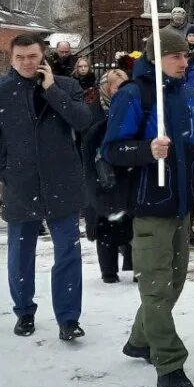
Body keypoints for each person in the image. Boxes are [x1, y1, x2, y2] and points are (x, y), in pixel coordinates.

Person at [102, 27, 194, 387]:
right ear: (155, 58)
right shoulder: (135, 95)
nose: (183, 62)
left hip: (180, 205)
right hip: (150, 206)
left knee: (173, 283)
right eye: (175, 56)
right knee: (158, 287)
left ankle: (138, 340)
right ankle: (170, 365)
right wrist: (147, 151)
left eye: (186, 56)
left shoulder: (187, 94)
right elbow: (112, 149)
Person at [0, 33, 95, 341]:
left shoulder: (66, 86)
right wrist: (5, 172)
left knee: (68, 252)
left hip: (62, 181)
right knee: (20, 253)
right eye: (20, 58)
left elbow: (83, 121)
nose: (27, 63)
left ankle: (68, 318)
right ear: (12, 59)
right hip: (21, 185)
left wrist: (51, 90)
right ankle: (24, 310)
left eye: (32, 56)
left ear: (43, 56)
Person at [82, 68, 134, 283]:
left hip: (126, 170)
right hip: (100, 172)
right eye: (116, 87)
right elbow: (86, 143)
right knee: (105, 222)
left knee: (130, 220)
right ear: (106, 88)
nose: (120, 92)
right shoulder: (94, 113)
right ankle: (108, 271)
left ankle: (133, 266)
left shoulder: (131, 109)